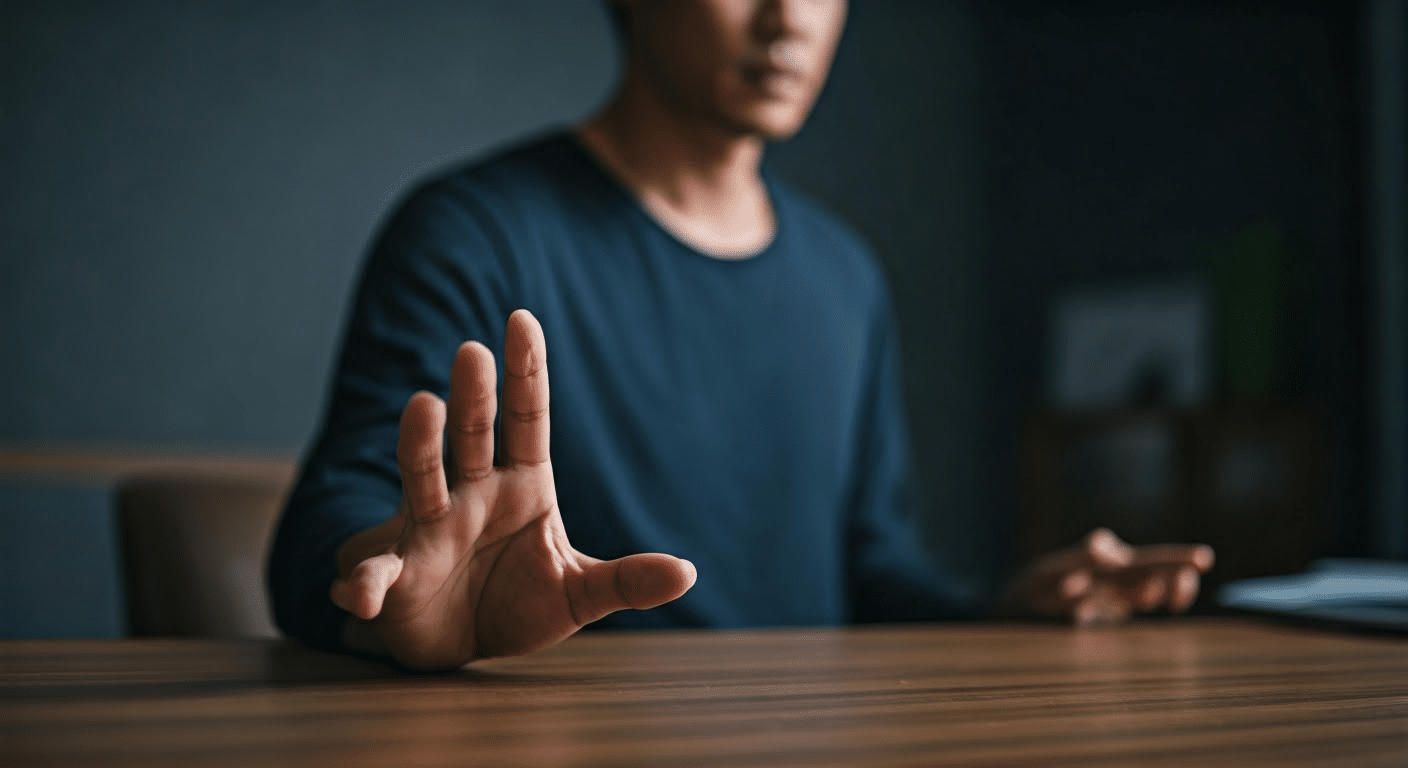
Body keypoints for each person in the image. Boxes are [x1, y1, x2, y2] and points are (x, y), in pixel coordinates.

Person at [269, 0, 1214, 670]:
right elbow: (331, 525)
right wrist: (404, 605)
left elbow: (873, 567)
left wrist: (1011, 611)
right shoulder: (473, 233)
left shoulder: (844, 276)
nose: (789, 17)